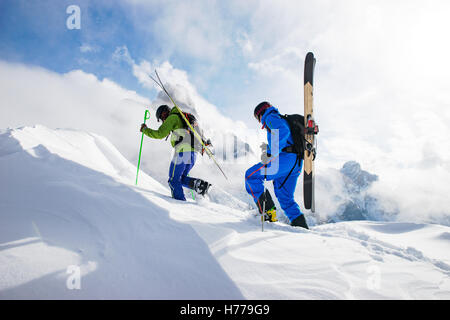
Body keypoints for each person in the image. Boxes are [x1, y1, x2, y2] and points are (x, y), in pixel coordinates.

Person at [245, 101, 309, 229]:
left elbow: (282, 131)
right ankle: (302, 227)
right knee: (285, 197)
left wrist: (270, 154)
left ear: (259, 114)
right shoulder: (282, 118)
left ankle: (268, 213)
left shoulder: (270, 116)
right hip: (296, 163)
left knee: (251, 176)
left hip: (284, 160)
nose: (259, 121)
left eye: (257, 118)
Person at [140, 104, 211, 201]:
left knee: (173, 180)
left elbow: (160, 134)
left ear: (164, 113)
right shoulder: (183, 117)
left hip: (182, 152)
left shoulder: (172, 117)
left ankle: (179, 203)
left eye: (161, 117)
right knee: (180, 178)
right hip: (193, 154)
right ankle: (200, 185)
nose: (163, 120)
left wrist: (145, 130)